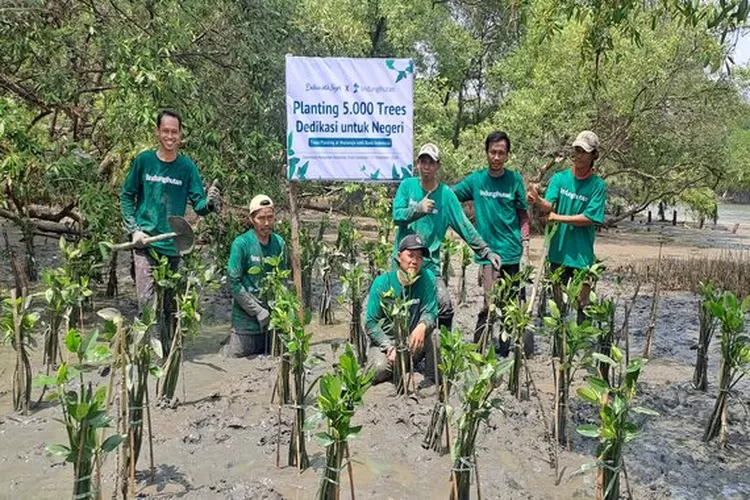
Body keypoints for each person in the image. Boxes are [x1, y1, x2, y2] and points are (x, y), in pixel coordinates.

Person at [120, 109, 221, 319]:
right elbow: (127, 196)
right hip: (145, 244)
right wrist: (134, 230)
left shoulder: (187, 167)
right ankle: (146, 349)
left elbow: (199, 205)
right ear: (157, 132)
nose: (170, 136)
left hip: (173, 245)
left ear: (180, 134)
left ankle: (170, 351)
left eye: (174, 132)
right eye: (165, 131)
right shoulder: (144, 161)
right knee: (147, 307)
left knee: (169, 310)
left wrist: (210, 203)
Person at [392, 143, 502, 331]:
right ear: (417, 164)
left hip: (428, 264)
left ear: (437, 166)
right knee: (397, 308)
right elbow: (397, 216)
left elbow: (465, 227)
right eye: (423, 161)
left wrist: (486, 251)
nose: (426, 166)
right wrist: (418, 209)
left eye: (431, 162)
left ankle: (443, 350)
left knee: (445, 306)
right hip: (401, 262)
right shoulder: (407, 186)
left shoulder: (446, 195)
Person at [453, 131, 531, 354]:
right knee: (489, 304)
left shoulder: (515, 180)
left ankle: (505, 350)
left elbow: (523, 215)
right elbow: (451, 196)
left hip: (512, 252)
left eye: (501, 153)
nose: (496, 157)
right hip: (488, 254)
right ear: (486, 152)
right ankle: (479, 349)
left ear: (507, 155)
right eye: (493, 152)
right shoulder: (476, 180)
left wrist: (526, 245)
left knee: (509, 306)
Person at [527, 130, 607, 312]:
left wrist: (557, 217)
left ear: (594, 155)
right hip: (558, 253)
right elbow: (549, 205)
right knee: (557, 306)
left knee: (581, 303)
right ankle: (557, 340)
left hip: (582, 256)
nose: (577, 155)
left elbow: (589, 218)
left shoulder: (597, 185)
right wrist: (537, 200)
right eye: (576, 150)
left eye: (583, 151)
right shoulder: (559, 178)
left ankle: (579, 339)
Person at [366, 234, 439, 384]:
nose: (414, 261)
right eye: (410, 255)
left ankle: (432, 379)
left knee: (436, 335)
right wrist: (388, 346)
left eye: (419, 257)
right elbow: (370, 323)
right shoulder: (382, 283)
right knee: (378, 370)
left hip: (413, 341)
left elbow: (431, 312)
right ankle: (398, 367)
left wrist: (422, 325)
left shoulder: (428, 278)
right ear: (399, 257)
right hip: (388, 343)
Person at [222, 195, 286, 358]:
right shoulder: (241, 244)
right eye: (261, 218)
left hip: (272, 323)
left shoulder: (279, 243)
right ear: (252, 219)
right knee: (235, 358)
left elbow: (283, 280)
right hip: (245, 324)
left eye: (270, 218)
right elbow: (233, 282)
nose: (266, 223)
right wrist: (257, 310)